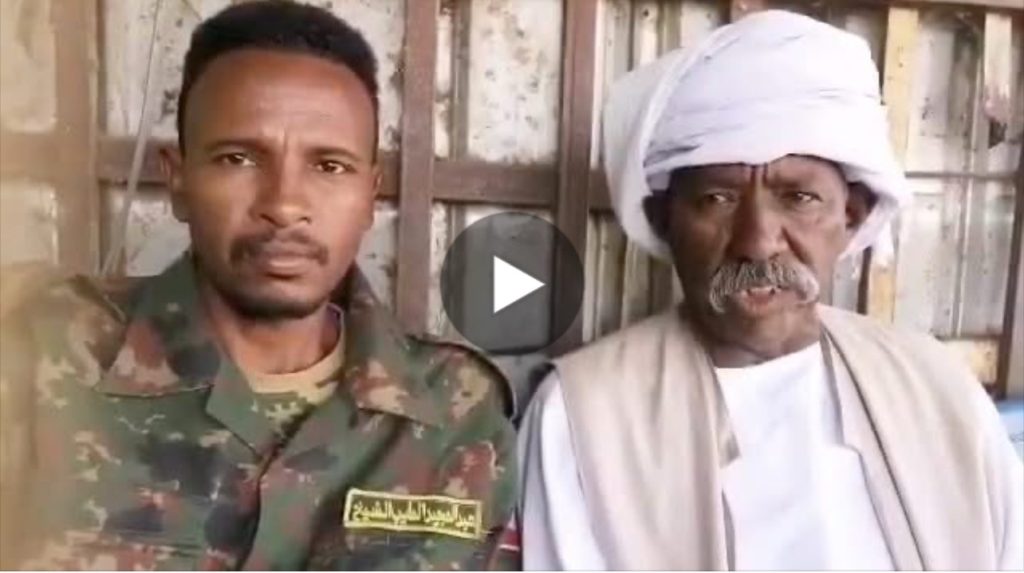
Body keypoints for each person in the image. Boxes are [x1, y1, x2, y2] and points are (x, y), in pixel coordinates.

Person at [0, 2, 519, 569]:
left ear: (371, 195)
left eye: (329, 166)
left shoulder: (454, 412)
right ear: (178, 180)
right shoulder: (41, 356)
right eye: (238, 158)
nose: (284, 205)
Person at [518, 10, 1023, 571]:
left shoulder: (939, 389)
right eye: (717, 199)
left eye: (798, 198)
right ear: (665, 221)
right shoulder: (581, 416)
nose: (758, 243)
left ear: (852, 216)